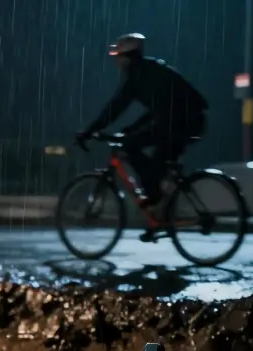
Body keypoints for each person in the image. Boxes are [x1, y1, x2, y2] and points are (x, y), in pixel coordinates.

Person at [76, 33, 208, 229]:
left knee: (132, 148)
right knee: (150, 157)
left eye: (118, 57)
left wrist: (89, 131)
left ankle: (155, 199)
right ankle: (160, 210)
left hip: (182, 123)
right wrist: (130, 129)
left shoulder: (138, 75)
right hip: (186, 120)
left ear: (127, 56)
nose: (117, 62)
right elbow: (157, 111)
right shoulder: (148, 71)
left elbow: (115, 107)